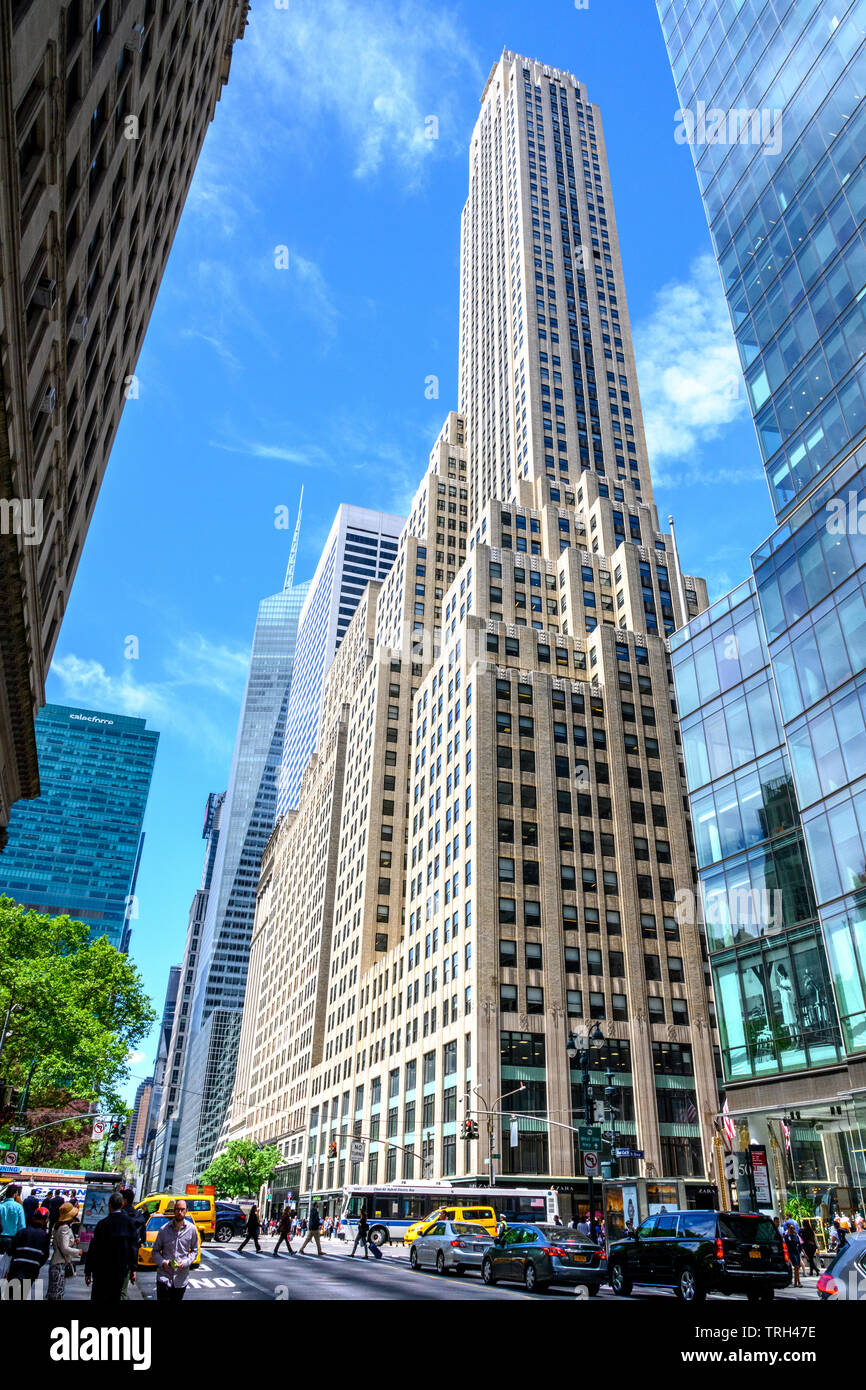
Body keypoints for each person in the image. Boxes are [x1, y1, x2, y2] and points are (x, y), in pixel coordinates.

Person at [84, 1191, 138, 1302]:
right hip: (119, 1270)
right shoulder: (129, 1223)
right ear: (122, 1204)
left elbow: (93, 1249)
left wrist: (88, 1271)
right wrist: (133, 1269)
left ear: (109, 1205)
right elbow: (133, 1248)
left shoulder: (102, 1224)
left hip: (101, 1271)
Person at [151, 1198, 199, 1302]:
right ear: (174, 1211)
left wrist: (186, 1262)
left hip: (181, 1279)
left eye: (182, 1209)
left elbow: (195, 1251)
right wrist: (163, 1262)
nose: (180, 1212)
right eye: (177, 1209)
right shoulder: (164, 1229)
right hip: (164, 1278)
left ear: (186, 1211)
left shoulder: (192, 1229)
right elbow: (155, 1251)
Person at [5, 1205, 50, 1297]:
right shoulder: (44, 1236)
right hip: (31, 1269)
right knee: (21, 1295)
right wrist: (36, 1264)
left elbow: (11, 1250)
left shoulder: (23, 1232)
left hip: (16, 1267)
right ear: (45, 1220)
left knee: (11, 1295)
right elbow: (45, 1256)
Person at [48, 1202, 79, 1302]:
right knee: (57, 1294)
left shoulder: (59, 1226)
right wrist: (78, 1251)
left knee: (55, 1293)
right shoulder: (64, 1228)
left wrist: (73, 1242)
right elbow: (65, 1248)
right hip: (59, 1264)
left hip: (57, 1264)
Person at [120, 1190, 145, 1299]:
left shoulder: (120, 1215)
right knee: (123, 1291)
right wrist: (133, 1268)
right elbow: (141, 1240)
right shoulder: (139, 1217)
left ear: (124, 1201)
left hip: (116, 1256)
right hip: (129, 1258)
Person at [0, 1184, 25, 1278]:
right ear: (15, 1194)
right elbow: (22, 1226)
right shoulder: (18, 1207)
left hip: (0, 1237)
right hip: (12, 1239)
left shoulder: (1, 1206)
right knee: (11, 1265)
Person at [783, 1219, 802, 1288]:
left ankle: (797, 1282)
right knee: (796, 1266)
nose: (792, 1229)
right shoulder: (787, 1236)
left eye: (793, 1228)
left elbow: (799, 1244)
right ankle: (797, 1282)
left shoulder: (796, 1236)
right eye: (791, 1228)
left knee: (797, 1268)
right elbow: (788, 1244)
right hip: (791, 1253)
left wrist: (802, 1252)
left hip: (796, 1252)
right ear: (788, 1228)